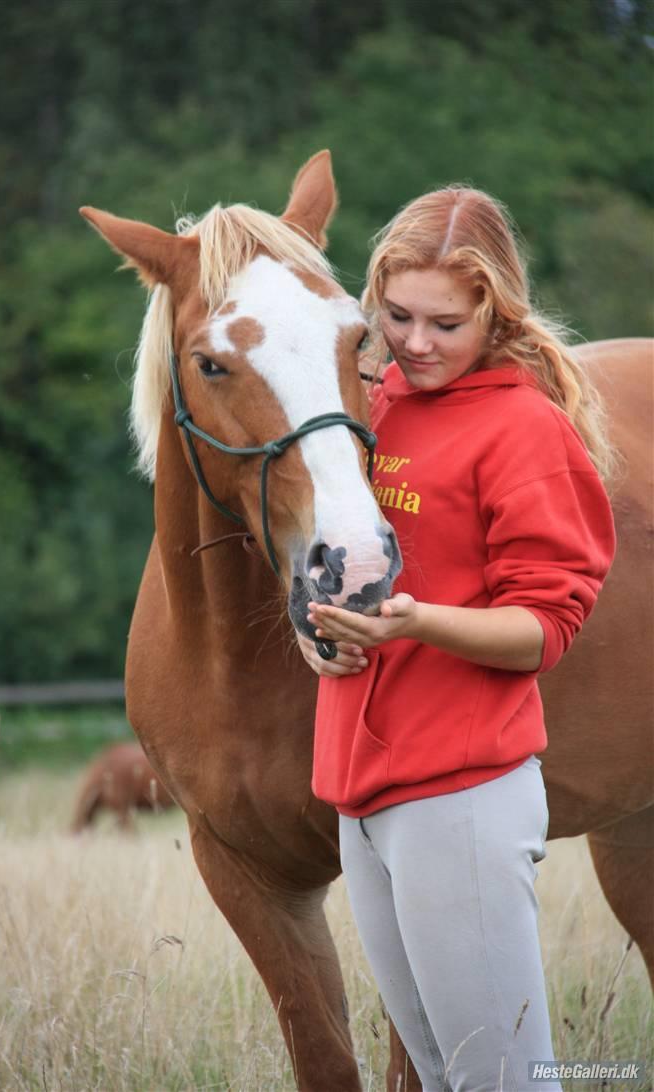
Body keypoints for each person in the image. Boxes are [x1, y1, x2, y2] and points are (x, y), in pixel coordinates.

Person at [296, 187, 617, 1092]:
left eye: (446, 324)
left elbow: (545, 629)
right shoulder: (369, 407)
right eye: (397, 316)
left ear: (496, 313)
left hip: (460, 796)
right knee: (438, 1078)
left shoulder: (522, 428)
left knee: (504, 1080)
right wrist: (323, 641)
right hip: (360, 792)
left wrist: (416, 621)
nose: (415, 342)